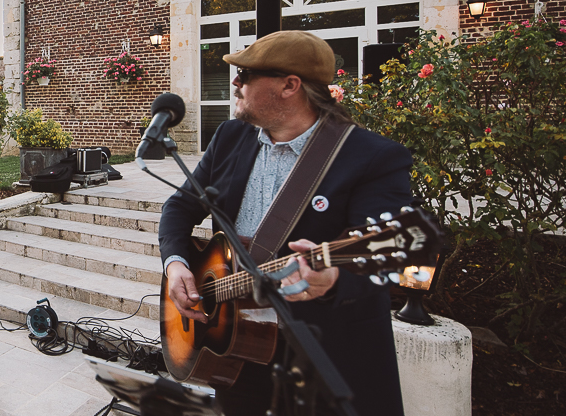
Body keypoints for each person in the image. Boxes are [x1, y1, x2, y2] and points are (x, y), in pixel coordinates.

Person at [158, 31, 410, 416]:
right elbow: (180, 207)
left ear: (290, 85)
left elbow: (384, 256)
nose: (235, 82)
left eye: (246, 74)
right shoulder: (231, 136)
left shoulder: (372, 158)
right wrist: (175, 262)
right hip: (237, 348)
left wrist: (333, 279)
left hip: (322, 354)